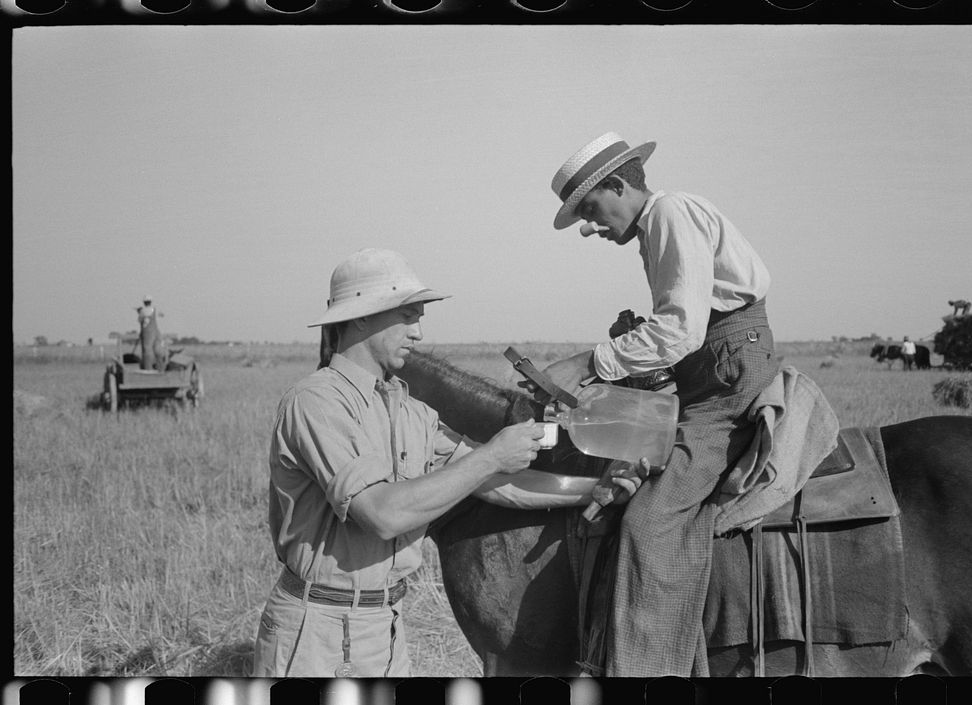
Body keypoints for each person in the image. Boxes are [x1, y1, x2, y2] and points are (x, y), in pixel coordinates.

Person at [252, 247, 648, 678]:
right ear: (361, 317)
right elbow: (382, 514)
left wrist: (594, 490)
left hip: (384, 625)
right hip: (318, 630)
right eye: (407, 316)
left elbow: (501, 483)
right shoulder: (318, 402)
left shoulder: (411, 413)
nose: (418, 332)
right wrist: (491, 453)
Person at [531, 132, 780, 677]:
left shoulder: (669, 212)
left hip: (725, 383)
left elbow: (682, 331)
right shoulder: (657, 227)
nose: (591, 229)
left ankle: (649, 670)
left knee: (650, 520)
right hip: (710, 374)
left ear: (619, 184)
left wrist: (587, 362)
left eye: (591, 212)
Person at [136, 296, 163, 370]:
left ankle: (148, 369)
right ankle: (160, 368)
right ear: (150, 302)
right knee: (158, 351)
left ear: (144, 303)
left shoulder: (143, 311)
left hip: (148, 334)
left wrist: (139, 312)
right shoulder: (154, 309)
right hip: (156, 333)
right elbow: (161, 315)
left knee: (147, 351)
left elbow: (140, 320)